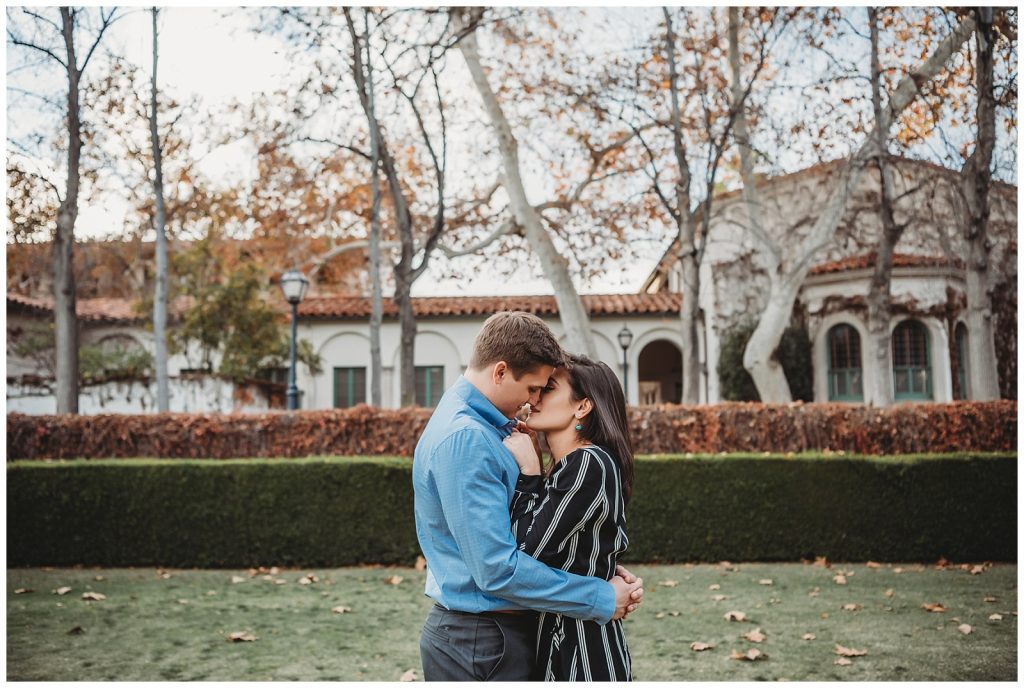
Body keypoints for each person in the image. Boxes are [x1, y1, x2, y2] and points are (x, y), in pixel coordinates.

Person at [413, 311, 644, 681]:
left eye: (544, 390)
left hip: (498, 636)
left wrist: (594, 561)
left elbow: (546, 535)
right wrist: (600, 594)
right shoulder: (467, 437)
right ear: (500, 372)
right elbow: (498, 569)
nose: (533, 400)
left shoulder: (489, 431)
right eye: (534, 387)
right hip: (481, 639)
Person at [503, 354, 635, 681]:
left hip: (584, 650)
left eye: (548, 388)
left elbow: (525, 555)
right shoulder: (568, 469)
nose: (534, 398)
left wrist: (530, 475)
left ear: (583, 407)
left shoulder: (588, 463)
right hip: (561, 640)